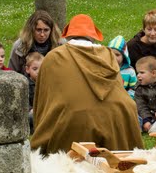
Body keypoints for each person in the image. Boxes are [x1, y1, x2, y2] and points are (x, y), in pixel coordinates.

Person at [31, 14, 143, 154]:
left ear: (68, 36)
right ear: (93, 36)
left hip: (72, 122)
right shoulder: (108, 55)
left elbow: (43, 100)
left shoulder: (54, 57)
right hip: (118, 115)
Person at [9, 10, 62, 75]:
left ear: (51, 30)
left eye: (46, 30)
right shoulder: (19, 46)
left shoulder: (61, 45)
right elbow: (11, 73)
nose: (42, 34)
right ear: (31, 29)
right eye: (38, 30)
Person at [134, 55, 156, 132]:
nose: (138, 75)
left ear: (153, 73)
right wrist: (146, 120)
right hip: (146, 115)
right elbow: (141, 106)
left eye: (142, 72)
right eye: (137, 72)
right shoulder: (139, 88)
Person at [107, 35, 137, 99]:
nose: (114, 57)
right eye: (111, 54)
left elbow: (134, 88)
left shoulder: (130, 71)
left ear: (124, 56)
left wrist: (128, 98)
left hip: (124, 99)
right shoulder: (105, 68)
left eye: (117, 55)